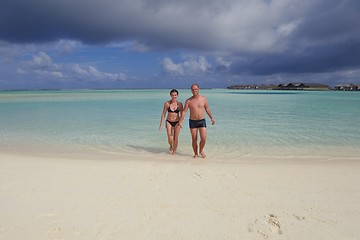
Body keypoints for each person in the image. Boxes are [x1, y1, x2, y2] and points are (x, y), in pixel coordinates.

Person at [179, 84, 215, 158]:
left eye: (195, 89)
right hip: (193, 121)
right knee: (194, 139)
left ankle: (201, 150)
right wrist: (180, 121)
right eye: (192, 89)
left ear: (199, 89)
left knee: (203, 138)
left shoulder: (204, 98)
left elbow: (207, 109)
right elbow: (184, 111)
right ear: (191, 90)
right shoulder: (188, 101)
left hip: (202, 121)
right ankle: (195, 153)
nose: (194, 91)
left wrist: (211, 117)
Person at [159, 89, 183, 155]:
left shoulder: (180, 104)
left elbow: (182, 114)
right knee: (170, 138)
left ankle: (174, 152)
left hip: (177, 122)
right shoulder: (167, 103)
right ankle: (171, 145)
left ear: (177, 95)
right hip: (169, 122)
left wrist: (180, 122)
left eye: (175, 95)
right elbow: (163, 114)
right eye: (172, 95)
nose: (174, 97)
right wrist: (161, 125)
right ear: (170, 95)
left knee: (175, 138)